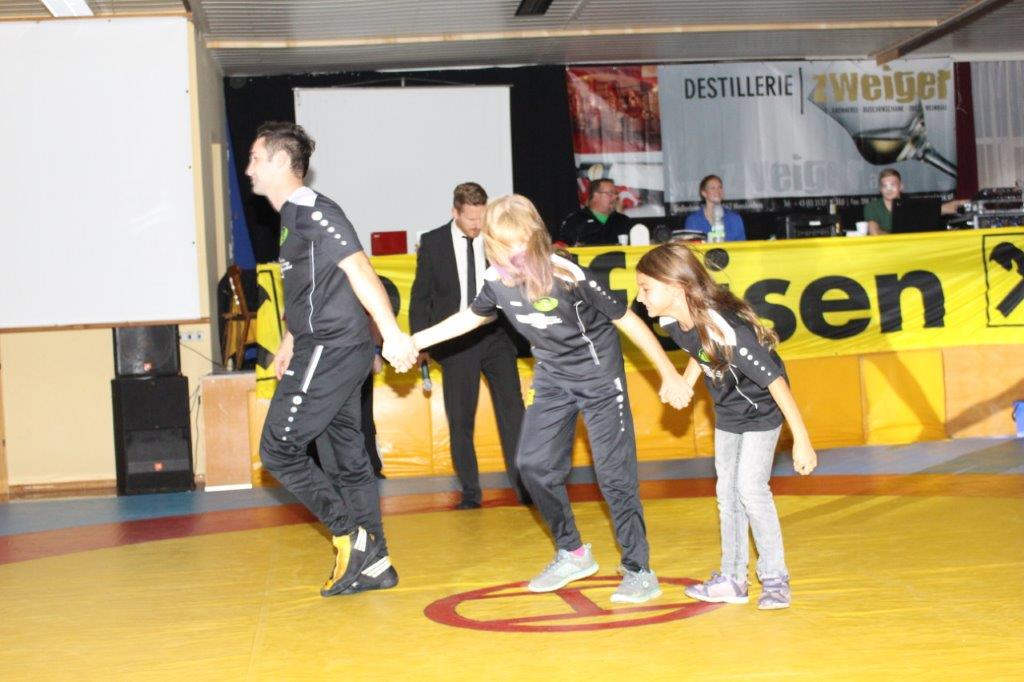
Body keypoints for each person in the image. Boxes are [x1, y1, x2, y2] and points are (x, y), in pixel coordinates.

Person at [412, 194, 692, 604]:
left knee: (614, 476)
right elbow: (469, 318)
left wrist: (669, 373)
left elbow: (627, 319)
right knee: (532, 465)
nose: (516, 256)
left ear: (536, 239)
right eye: (506, 246)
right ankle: (573, 552)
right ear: (492, 244)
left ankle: (638, 569)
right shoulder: (494, 281)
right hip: (553, 376)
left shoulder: (567, 273)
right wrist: (414, 341)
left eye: (522, 245)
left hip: (598, 377)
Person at [246, 121, 417, 597]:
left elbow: (359, 268)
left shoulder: (314, 210)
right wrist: (289, 339)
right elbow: (311, 286)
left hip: (332, 348)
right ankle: (376, 563)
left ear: (282, 162)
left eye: (256, 159)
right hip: (329, 347)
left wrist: (391, 334)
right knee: (346, 460)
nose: (249, 169)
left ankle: (351, 537)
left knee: (278, 450)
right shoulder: (291, 218)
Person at [634, 241, 817, 610]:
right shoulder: (672, 322)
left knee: (751, 489)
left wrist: (801, 439)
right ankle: (733, 579)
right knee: (727, 494)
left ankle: (775, 579)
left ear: (675, 287)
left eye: (645, 288)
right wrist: (687, 382)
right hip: (729, 411)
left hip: (762, 411)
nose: (639, 298)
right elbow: (698, 351)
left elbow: (775, 381)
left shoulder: (728, 329)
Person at [409, 182, 529, 509]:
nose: (477, 225)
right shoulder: (433, 242)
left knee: (513, 411)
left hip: (496, 335)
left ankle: (525, 488)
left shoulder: (495, 237)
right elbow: (421, 297)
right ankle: (471, 492)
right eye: (471, 219)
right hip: (456, 342)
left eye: (482, 217)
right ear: (455, 212)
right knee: (461, 418)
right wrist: (421, 342)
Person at [864, 168, 966, 235]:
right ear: (880, 189)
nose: (889, 189)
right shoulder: (872, 207)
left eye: (893, 185)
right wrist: (899, 238)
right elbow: (874, 232)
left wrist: (967, 203)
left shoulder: (911, 204)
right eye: (885, 186)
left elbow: (943, 209)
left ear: (901, 187)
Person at [557, 178, 632, 246]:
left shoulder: (623, 221)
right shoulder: (576, 220)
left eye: (616, 194)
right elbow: (563, 247)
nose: (615, 197)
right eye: (610, 193)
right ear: (595, 195)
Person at [683, 175, 746, 241]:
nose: (718, 191)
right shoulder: (693, 220)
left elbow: (742, 245)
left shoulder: (735, 219)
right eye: (713, 188)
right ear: (704, 193)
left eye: (720, 187)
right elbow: (691, 246)